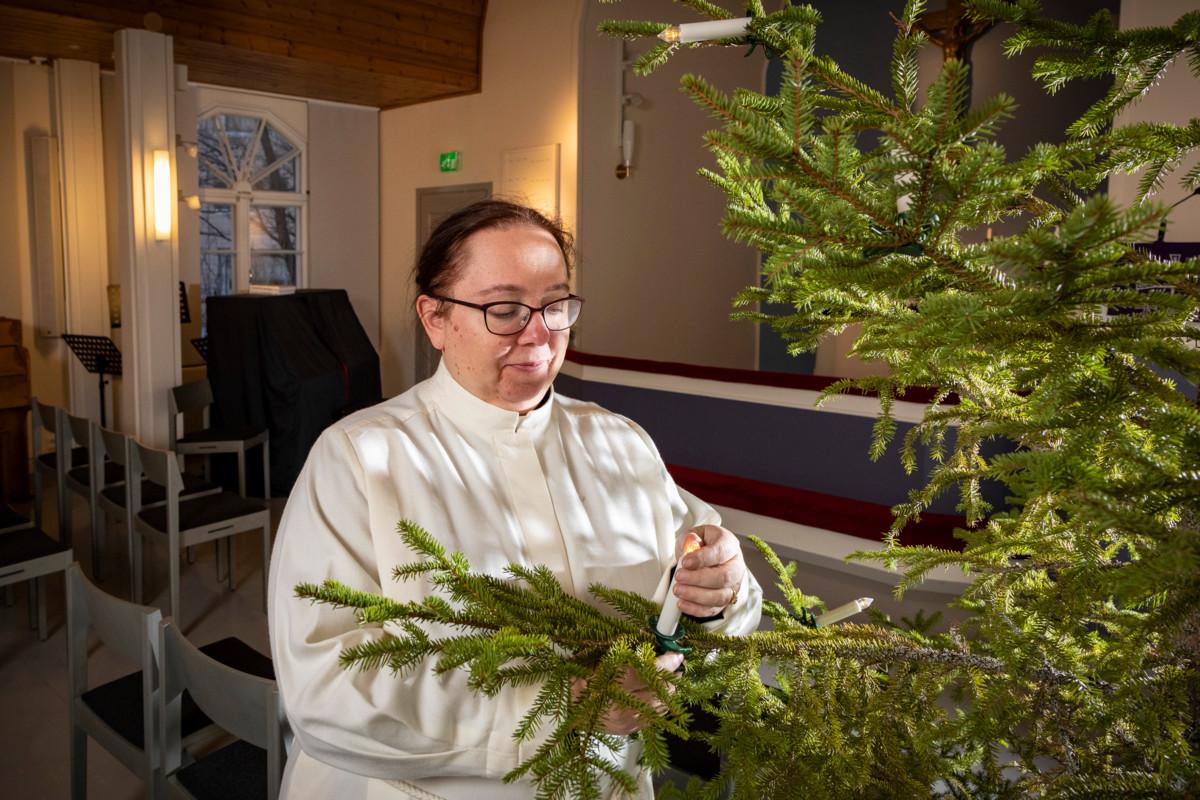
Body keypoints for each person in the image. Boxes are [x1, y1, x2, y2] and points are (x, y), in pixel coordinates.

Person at [269, 199, 762, 799]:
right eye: (504, 309)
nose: (539, 333)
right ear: (435, 319)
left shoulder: (620, 442)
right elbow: (326, 684)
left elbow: (711, 599)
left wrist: (720, 592)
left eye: (556, 306)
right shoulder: (358, 458)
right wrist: (558, 711)